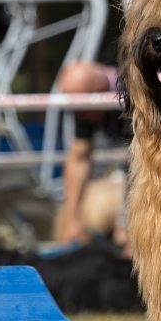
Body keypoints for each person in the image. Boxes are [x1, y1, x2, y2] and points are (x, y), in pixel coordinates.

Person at [53, 61, 130, 250]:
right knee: (68, 219)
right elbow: (79, 157)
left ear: (99, 93)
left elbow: (144, 165)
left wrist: (125, 223)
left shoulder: (133, 96)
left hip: (143, 178)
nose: (78, 115)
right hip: (122, 175)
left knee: (102, 204)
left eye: (82, 110)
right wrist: (72, 219)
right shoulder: (86, 105)